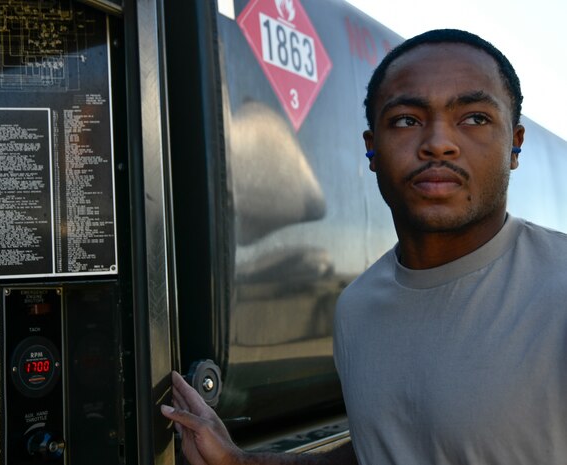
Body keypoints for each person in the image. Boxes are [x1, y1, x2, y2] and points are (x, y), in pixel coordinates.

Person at [161, 28, 567, 464]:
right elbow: (382, 451)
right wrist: (241, 461)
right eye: (407, 120)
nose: (438, 143)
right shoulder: (357, 308)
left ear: (515, 145)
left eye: (474, 118)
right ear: (371, 149)